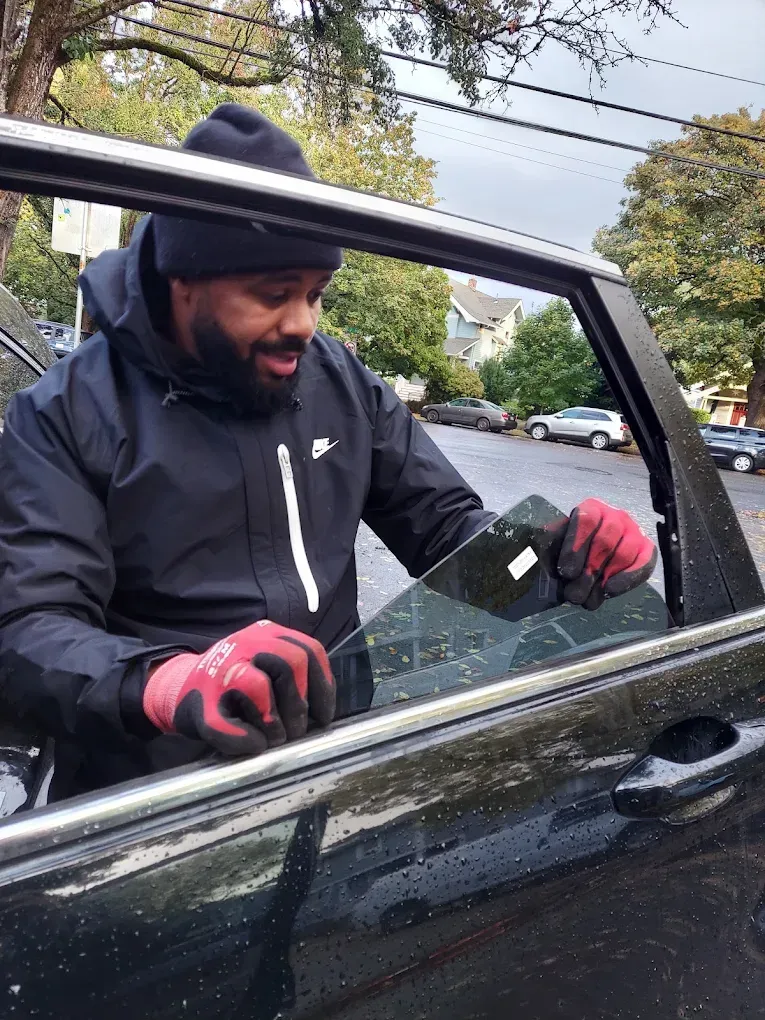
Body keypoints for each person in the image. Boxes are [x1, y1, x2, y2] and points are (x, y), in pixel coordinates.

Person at [0, 104, 657, 800]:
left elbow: (447, 533)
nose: (303, 325)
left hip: (332, 754)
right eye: (273, 295)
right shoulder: (66, 412)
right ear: (182, 281)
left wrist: (558, 553)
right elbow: (29, 628)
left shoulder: (340, 383)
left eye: (315, 293)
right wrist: (173, 682)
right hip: (148, 791)